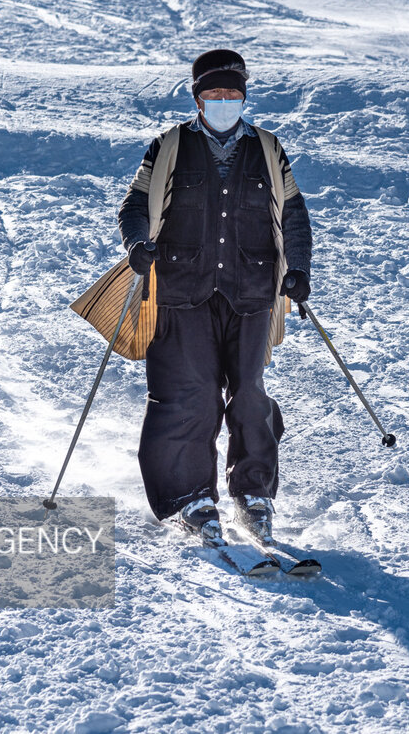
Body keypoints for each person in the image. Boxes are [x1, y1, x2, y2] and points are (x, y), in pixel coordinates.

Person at [117, 49, 312, 544]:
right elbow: (136, 203)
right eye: (214, 94)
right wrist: (138, 243)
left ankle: (254, 493)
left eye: (232, 93)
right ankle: (190, 497)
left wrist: (300, 268)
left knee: (249, 394)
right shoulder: (169, 145)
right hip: (181, 291)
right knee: (189, 395)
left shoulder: (268, 147)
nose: (224, 101)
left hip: (251, 290)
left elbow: (292, 213)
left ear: (243, 96)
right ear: (198, 98)